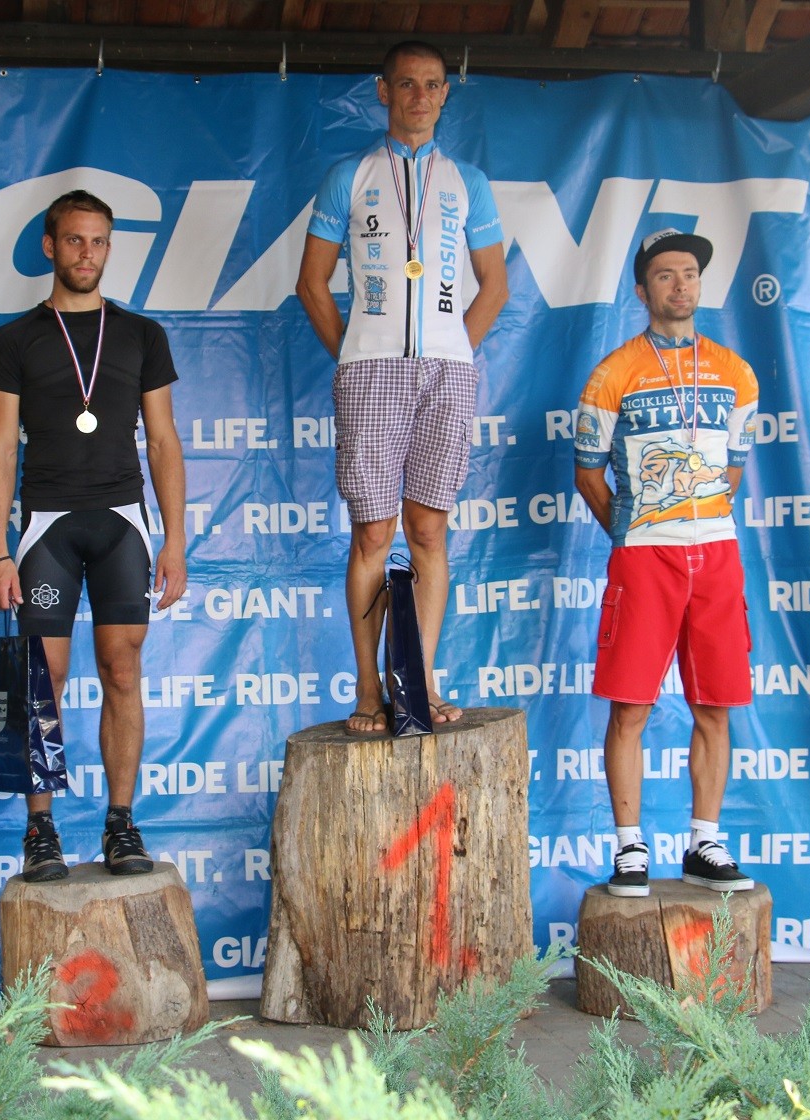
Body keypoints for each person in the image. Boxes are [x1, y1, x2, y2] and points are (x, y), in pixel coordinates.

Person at [295, 40, 509, 735]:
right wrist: (356, 353)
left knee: (429, 530)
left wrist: (453, 348)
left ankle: (420, 682)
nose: (421, 95)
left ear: (446, 94)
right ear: (383, 91)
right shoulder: (349, 176)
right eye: (407, 84)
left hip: (448, 372)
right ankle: (367, 689)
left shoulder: (467, 181)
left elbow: (494, 285)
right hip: (370, 370)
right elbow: (312, 283)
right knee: (372, 533)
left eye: (433, 84)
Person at [0, 189, 187, 883]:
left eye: (98, 241)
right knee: (45, 678)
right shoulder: (14, 341)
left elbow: (163, 440)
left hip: (123, 523)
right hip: (48, 527)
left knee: (123, 671)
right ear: (50, 246)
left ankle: (121, 823)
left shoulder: (141, 335)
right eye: (73, 240)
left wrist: (175, 540)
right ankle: (40, 830)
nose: (86, 253)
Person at [573, 228, 760, 898]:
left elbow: (733, 467)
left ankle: (705, 842)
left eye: (689, 274)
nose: (680, 285)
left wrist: (697, 518)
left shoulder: (737, 373)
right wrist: (632, 534)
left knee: (717, 705)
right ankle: (629, 848)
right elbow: (588, 473)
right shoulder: (613, 372)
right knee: (631, 706)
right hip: (645, 557)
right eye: (664, 275)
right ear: (642, 289)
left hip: (716, 554)